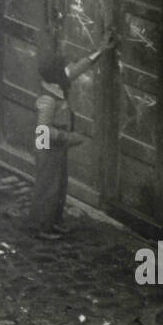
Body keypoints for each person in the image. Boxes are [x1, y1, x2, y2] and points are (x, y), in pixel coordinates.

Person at [28, 29, 116, 241]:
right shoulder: (48, 100)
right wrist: (69, 139)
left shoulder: (56, 83)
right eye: (62, 69)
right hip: (48, 150)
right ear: (55, 75)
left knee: (59, 187)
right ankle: (43, 227)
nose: (66, 71)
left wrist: (101, 51)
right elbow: (42, 133)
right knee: (48, 188)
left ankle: (55, 222)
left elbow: (77, 69)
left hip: (56, 148)